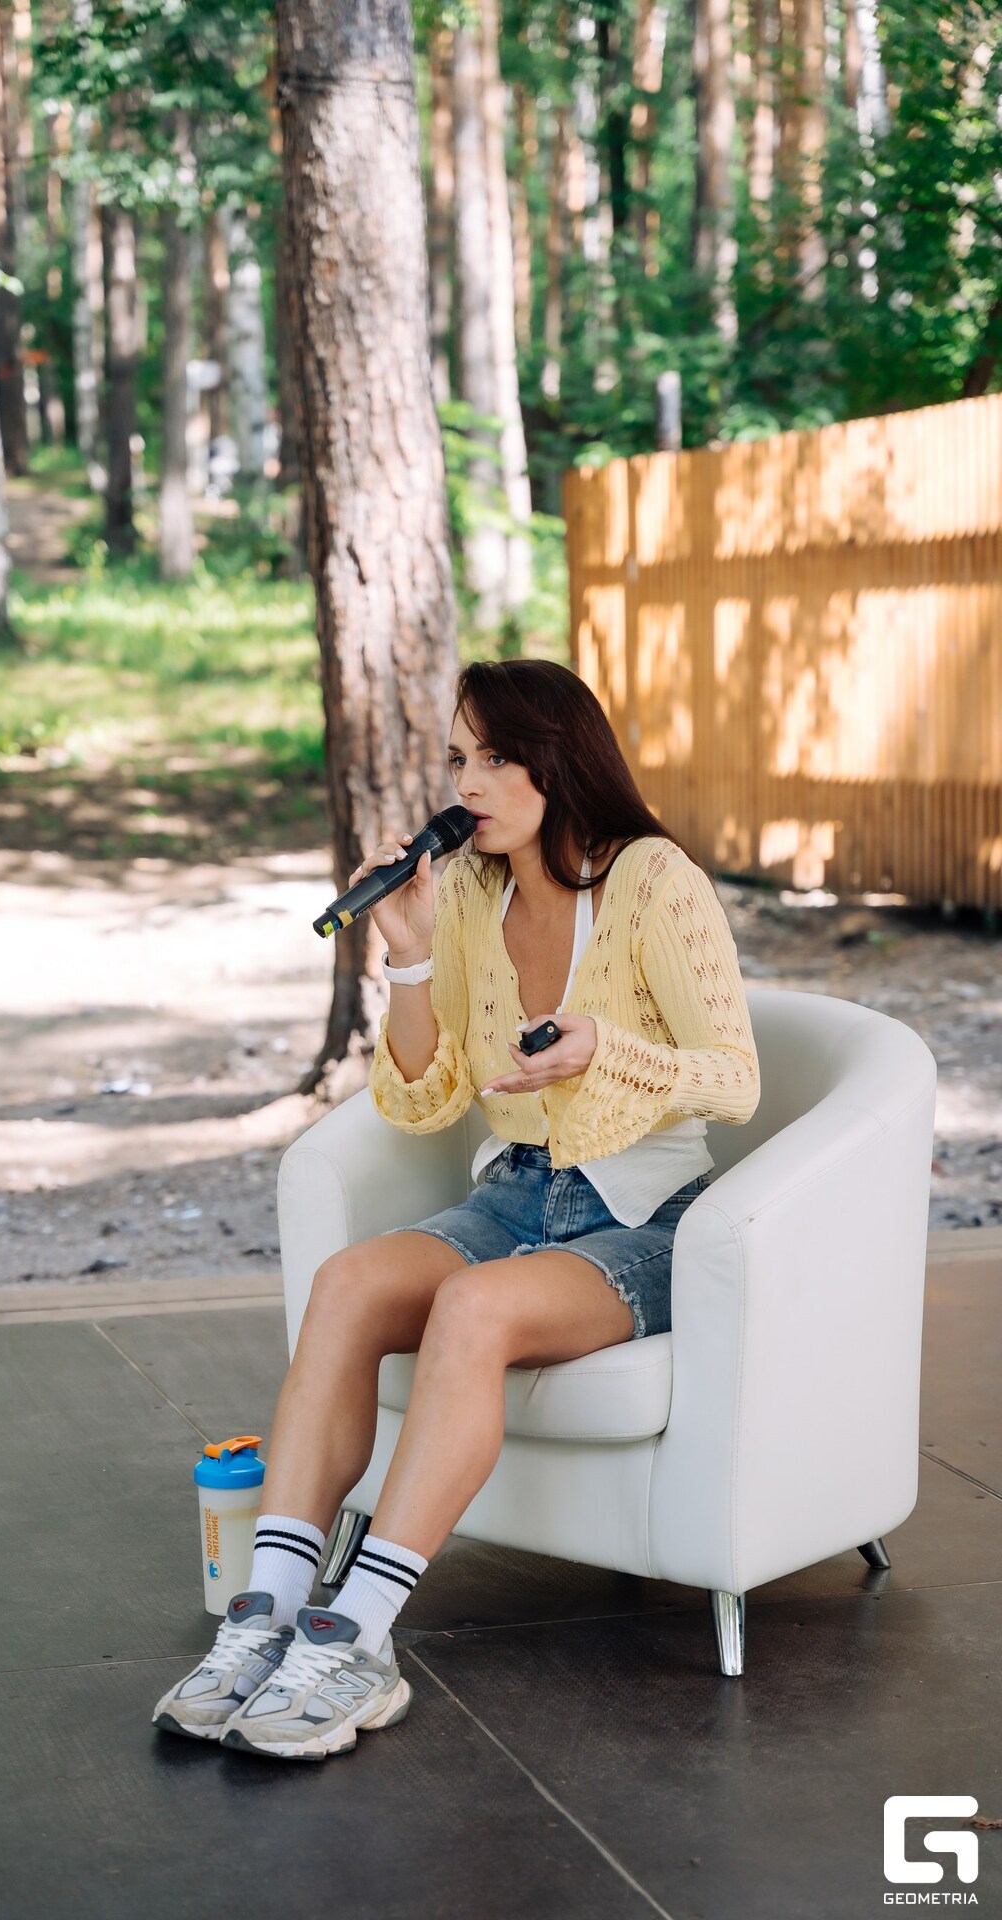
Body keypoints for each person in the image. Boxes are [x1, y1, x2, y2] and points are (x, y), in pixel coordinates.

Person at [154, 658, 760, 1762]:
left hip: (645, 1212)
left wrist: (605, 1049)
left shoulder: (652, 879)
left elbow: (735, 1077)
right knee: (347, 1284)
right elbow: (423, 1099)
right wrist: (409, 954)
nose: (465, 783)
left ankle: (355, 1637)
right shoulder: (473, 893)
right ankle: (267, 1614)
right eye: (455, 759)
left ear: (557, 762)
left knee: (474, 1310)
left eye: (493, 758)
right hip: (514, 1191)